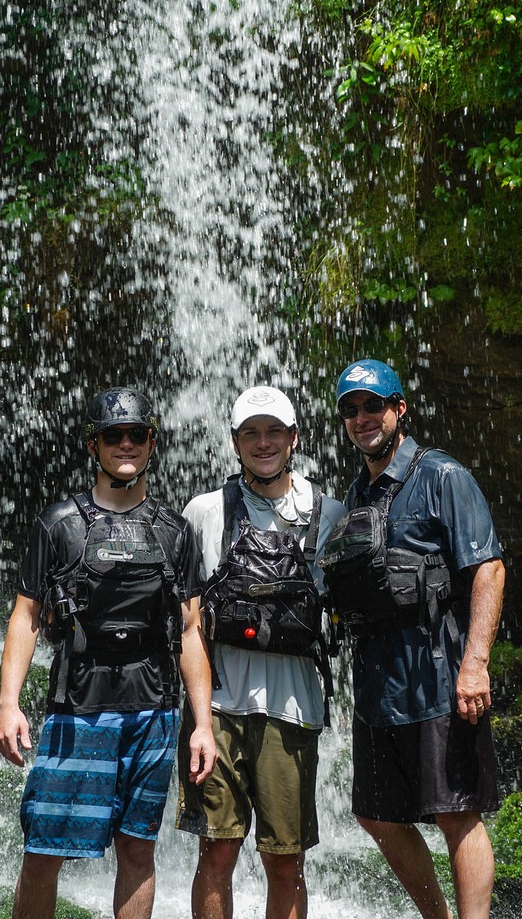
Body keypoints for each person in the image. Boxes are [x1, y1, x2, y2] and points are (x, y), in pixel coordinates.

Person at [0, 386, 217, 919]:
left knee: (138, 848)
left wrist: (202, 723)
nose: (125, 445)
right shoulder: (59, 524)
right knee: (44, 850)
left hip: (154, 712)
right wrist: (9, 702)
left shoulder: (174, 532)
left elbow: (190, 630)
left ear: (151, 443)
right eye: (113, 436)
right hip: (77, 710)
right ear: (92, 445)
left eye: (135, 435)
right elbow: (25, 616)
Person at [319, 358, 506, 919]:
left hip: (437, 670)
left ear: (400, 409)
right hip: (378, 675)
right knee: (375, 815)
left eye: (372, 405)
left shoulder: (441, 474)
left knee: (456, 811)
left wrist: (475, 663)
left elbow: (489, 569)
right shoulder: (356, 493)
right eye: (350, 410)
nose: (361, 418)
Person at [176, 386, 347, 919]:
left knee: (285, 860)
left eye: (274, 431)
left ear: (295, 439)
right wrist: (200, 721)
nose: (263, 442)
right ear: (233, 442)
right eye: (251, 432)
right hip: (218, 709)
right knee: (217, 849)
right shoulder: (203, 511)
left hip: (292, 711)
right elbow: (191, 625)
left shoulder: (333, 513)